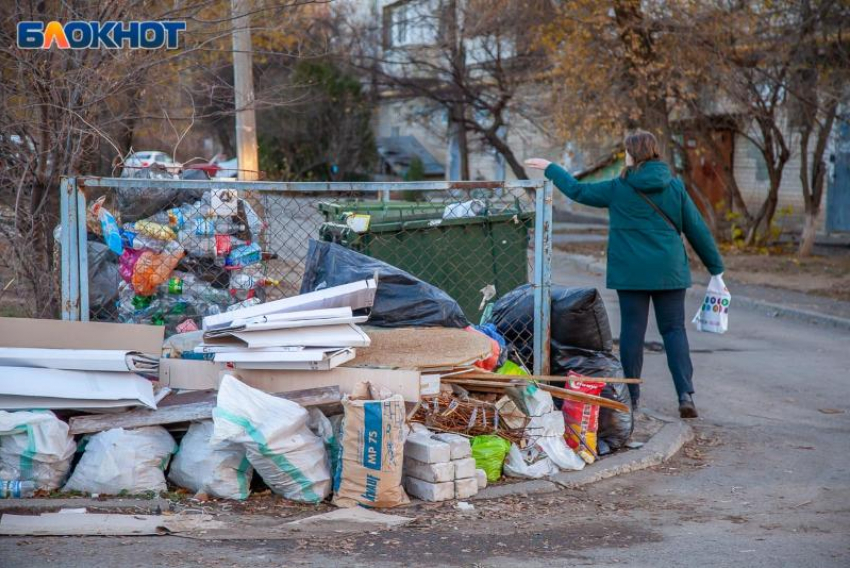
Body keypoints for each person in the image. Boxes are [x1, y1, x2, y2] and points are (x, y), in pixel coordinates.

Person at [525, 130, 724, 418]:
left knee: (633, 332)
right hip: (669, 271)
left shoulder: (619, 187)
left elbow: (579, 192)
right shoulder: (674, 186)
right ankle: (685, 394)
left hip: (631, 273)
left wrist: (551, 168)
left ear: (633, 154)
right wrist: (715, 269)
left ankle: (632, 397)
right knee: (674, 330)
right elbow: (696, 228)